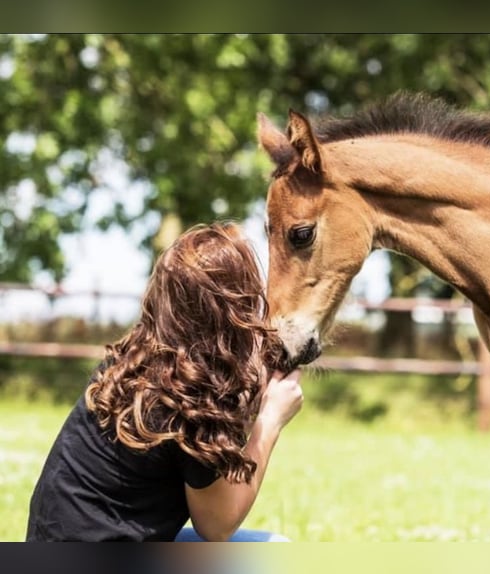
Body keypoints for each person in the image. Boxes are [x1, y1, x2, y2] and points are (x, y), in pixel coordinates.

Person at [26, 222, 304, 542]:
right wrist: (270, 422)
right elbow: (217, 525)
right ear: (235, 307)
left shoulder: (130, 363)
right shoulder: (192, 397)